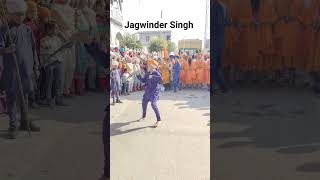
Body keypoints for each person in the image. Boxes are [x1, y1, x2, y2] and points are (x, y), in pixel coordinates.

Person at [0, 0, 40, 139]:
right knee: (12, 97)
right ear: (11, 14)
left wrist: (36, 66)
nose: (20, 17)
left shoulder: (27, 30)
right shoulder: (5, 30)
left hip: (26, 69)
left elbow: (33, 49)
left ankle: (24, 121)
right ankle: (13, 125)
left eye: (22, 14)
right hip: (12, 70)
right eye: (17, 14)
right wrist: (6, 50)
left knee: (25, 97)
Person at [39, 21, 67, 107]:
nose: (57, 30)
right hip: (49, 63)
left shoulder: (58, 39)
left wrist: (63, 37)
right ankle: (48, 98)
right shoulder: (44, 40)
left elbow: (66, 45)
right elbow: (46, 51)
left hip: (58, 62)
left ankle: (58, 98)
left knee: (59, 81)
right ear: (49, 30)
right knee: (49, 81)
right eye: (56, 28)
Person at [211, 0, 230, 94]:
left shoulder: (216, 7)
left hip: (215, 39)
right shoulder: (221, 6)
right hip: (219, 39)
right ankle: (223, 88)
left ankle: (218, 88)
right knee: (216, 66)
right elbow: (226, 22)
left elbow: (218, 25)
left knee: (214, 65)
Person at [137, 59, 162, 128]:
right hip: (148, 91)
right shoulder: (147, 73)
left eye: (150, 66)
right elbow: (144, 80)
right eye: (149, 65)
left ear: (154, 67)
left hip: (154, 92)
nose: (148, 66)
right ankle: (144, 116)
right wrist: (138, 76)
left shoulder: (156, 73)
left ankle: (159, 120)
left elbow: (160, 80)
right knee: (144, 102)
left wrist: (153, 77)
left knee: (153, 104)